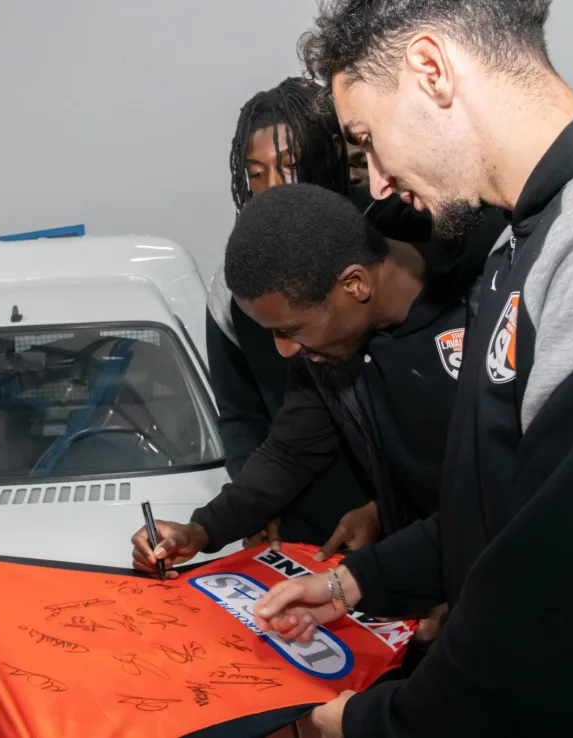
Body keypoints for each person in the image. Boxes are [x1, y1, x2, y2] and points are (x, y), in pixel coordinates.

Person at [254, 2, 573, 736]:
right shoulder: (526, 238)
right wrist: (358, 581)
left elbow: (564, 619)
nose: (375, 182)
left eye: (367, 140)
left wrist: (368, 724)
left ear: (431, 70)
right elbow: (504, 502)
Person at [135, 183, 473, 593]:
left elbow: (503, 496)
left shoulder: (482, 316)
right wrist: (201, 530)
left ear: (355, 285)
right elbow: (291, 452)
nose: (284, 350)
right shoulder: (331, 349)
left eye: (291, 330)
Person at [208, 77, 371, 548]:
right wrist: (255, 507)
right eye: (256, 174)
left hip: (401, 529)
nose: (272, 188)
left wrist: (390, 508)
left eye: (290, 167)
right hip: (295, 527)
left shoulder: (387, 256)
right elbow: (240, 416)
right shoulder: (236, 285)